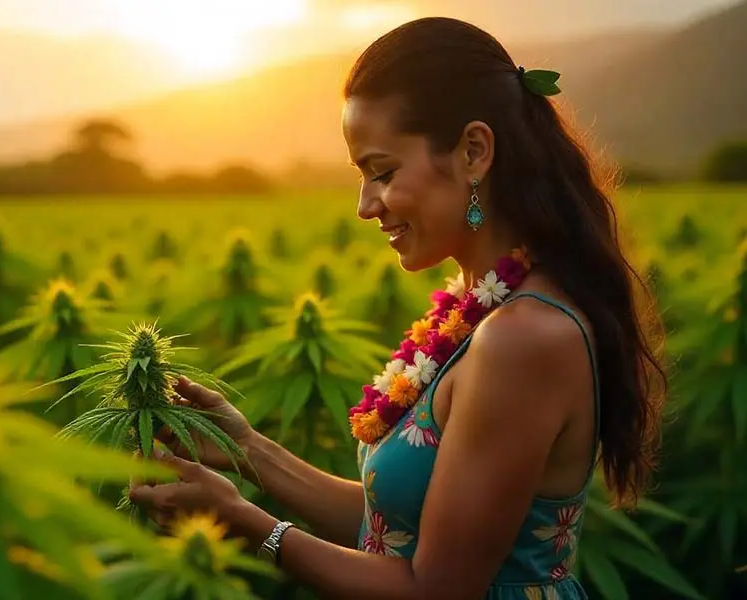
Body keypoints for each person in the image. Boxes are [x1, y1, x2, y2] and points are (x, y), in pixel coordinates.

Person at [128, 16, 667, 600]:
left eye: (382, 173)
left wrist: (245, 523)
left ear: (473, 151)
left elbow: (434, 589)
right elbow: (399, 533)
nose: (366, 205)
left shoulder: (524, 338)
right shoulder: (484, 307)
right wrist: (248, 449)